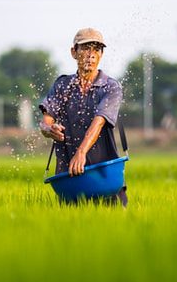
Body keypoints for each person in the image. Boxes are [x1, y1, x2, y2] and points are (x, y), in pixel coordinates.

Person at [39, 28, 128, 206]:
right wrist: (50, 130)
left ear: (101, 55)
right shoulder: (63, 85)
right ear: (74, 52)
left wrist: (81, 152)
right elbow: (45, 121)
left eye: (96, 49)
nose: (91, 55)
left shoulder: (110, 87)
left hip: (105, 177)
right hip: (70, 179)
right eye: (85, 48)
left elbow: (99, 121)